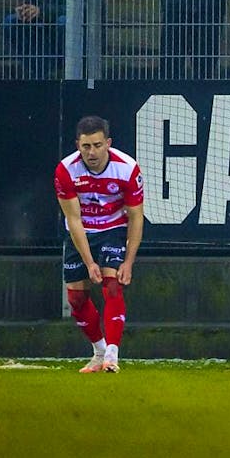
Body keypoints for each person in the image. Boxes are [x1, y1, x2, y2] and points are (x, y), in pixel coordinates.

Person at [54, 116, 144, 373]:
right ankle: (99, 351)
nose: (91, 153)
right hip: (81, 232)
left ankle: (112, 355)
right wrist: (88, 261)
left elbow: (136, 216)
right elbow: (73, 218)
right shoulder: (65, 170)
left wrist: (128, 261)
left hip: (113, 229)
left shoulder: (127, 168)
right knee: (76, 299)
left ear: (108, 143)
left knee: (112, 285)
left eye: (97, 145)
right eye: (86, 147)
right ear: (77, 145)